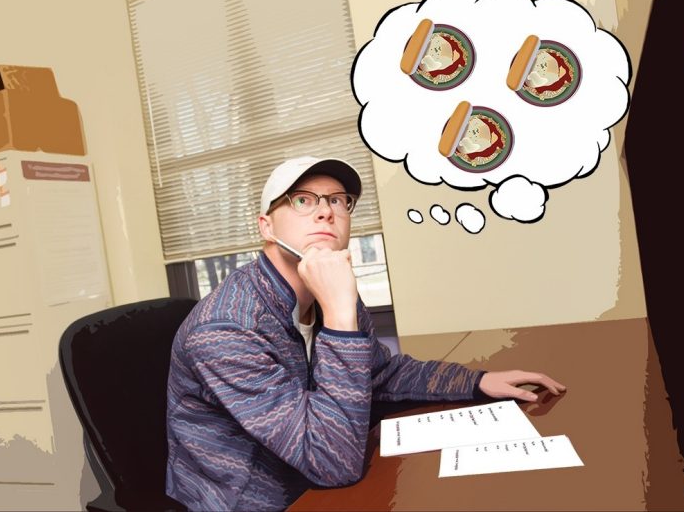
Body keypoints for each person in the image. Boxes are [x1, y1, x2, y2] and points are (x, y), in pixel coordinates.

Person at [165, 156, 565, 511]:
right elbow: (332, 462)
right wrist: (340, 312)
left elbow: (380, 375)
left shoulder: (330, 290)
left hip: (314, 477)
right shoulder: (225, 328)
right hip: (254, 498)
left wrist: (479, 381)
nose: (326, 213)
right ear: (266, 225)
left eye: (337, 200)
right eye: (303, 201)